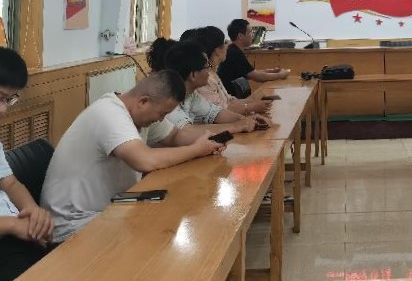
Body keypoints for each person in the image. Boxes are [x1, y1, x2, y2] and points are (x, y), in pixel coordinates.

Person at [40, 69, 226, 243]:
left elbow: (175, 136)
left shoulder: (140, 112)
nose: (161, 119)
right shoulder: (109, 113)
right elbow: (144, 160)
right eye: (162, 113)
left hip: (110, 210)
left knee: (171, 218)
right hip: (73, 224)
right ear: (143, 101)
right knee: (157, 237)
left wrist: (208, 142)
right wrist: (196, 150)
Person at [0, 48, 52, 280]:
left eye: (9, 99)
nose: (4, 109)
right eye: (0, 97)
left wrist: (33, 212)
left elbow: (10, 183)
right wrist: (12, 226)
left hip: (16, 234)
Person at [147, 38, 260, 134]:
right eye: (207, 66)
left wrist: (245, 120)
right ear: (193, 75)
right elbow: (186, 131)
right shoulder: (166, 97)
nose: (209, 71)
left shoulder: (191, 94)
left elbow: (216, 113)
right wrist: (235, 126)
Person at [191, 26, 272, 116]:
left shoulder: (213, 74)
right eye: (225, 43)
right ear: (217, 50)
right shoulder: (205, 79)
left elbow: (229, 100)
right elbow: (220, 110)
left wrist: (253, 100)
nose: (227, 46)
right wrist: (251, 107)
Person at [218, 19, 290, 93]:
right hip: (232, 97)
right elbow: (256, 76)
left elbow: (250, 72)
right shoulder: (234, 53)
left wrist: (272, 71)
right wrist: (281, 75)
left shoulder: (233, 49)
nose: (253, 35)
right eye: (250, 32)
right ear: (240, 36)